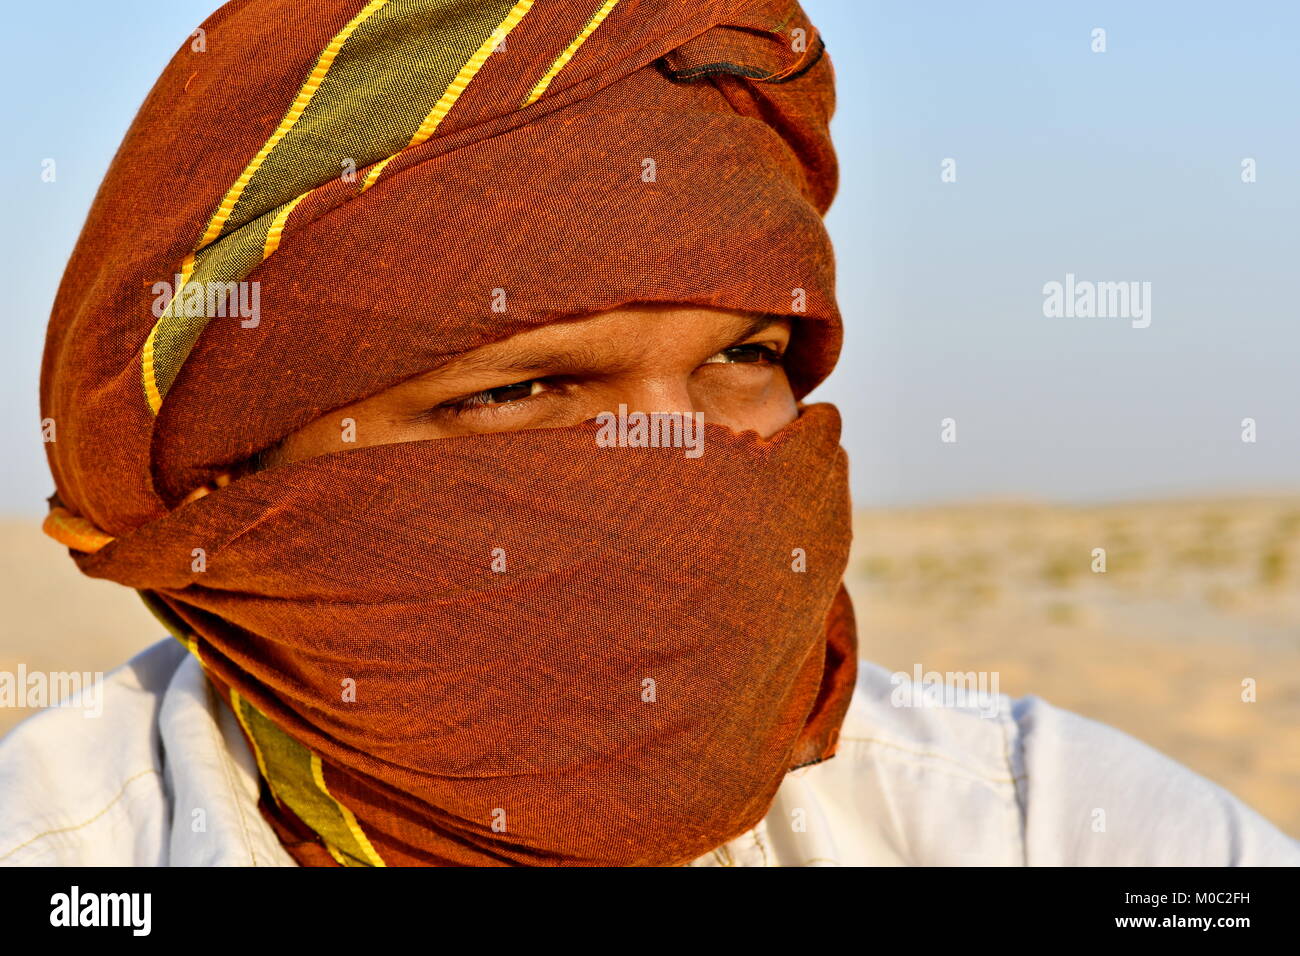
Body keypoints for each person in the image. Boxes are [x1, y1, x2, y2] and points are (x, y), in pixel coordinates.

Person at [2, 0, 1297, 867]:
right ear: (227, 486)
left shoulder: (1038, 828)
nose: (678, 476)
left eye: (745, 359)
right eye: (520, 392)